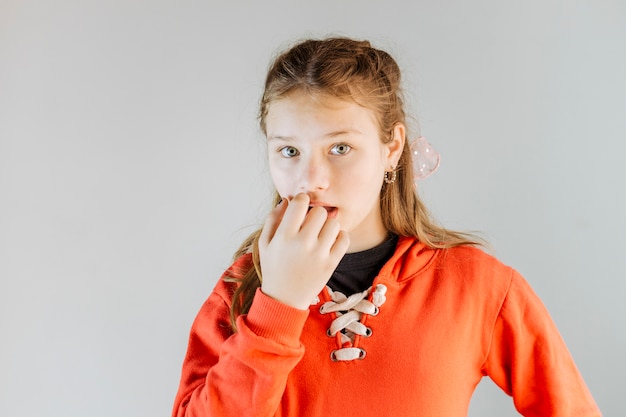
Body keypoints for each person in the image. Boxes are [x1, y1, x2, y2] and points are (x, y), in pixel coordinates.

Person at [172, 37, 601, 416]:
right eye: (288, 151)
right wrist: (278, 307)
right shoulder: (241, 291)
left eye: (340, 147)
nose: (310, 179)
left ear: (391, 147)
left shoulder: (478, 285)